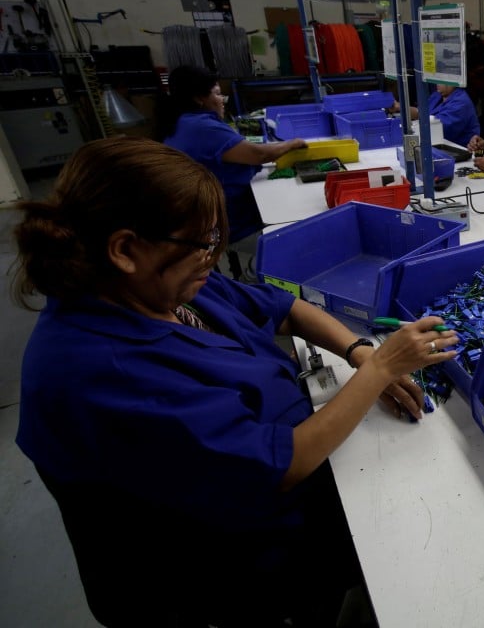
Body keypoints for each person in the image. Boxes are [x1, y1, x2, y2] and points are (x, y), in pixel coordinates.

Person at [12, 137, 459, 627]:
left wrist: (358, 351)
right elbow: (279, 464)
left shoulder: (154, 288)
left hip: (275, 497)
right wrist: (379, 371)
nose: (213, 256)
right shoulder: (101, 374)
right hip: (220, 573)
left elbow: (281, 306)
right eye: (202, 243)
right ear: (124, 249)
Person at [156, 65, 308, 246]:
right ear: (199, 98)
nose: (222, 100)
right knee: (303, 230)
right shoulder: (202, 128)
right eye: (218, 94)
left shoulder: (181, 122)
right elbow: (258, 155)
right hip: (230, 225)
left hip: (207, 219)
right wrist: (294, 143)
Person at [390, 83, 481, 147]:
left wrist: (410, 111)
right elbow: (421, 112)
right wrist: (399, 108)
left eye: (441, 80)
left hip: (461, 152)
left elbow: (440, 128)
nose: (437, 84)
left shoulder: (461, 102)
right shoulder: (437, 95)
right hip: (436, 146)